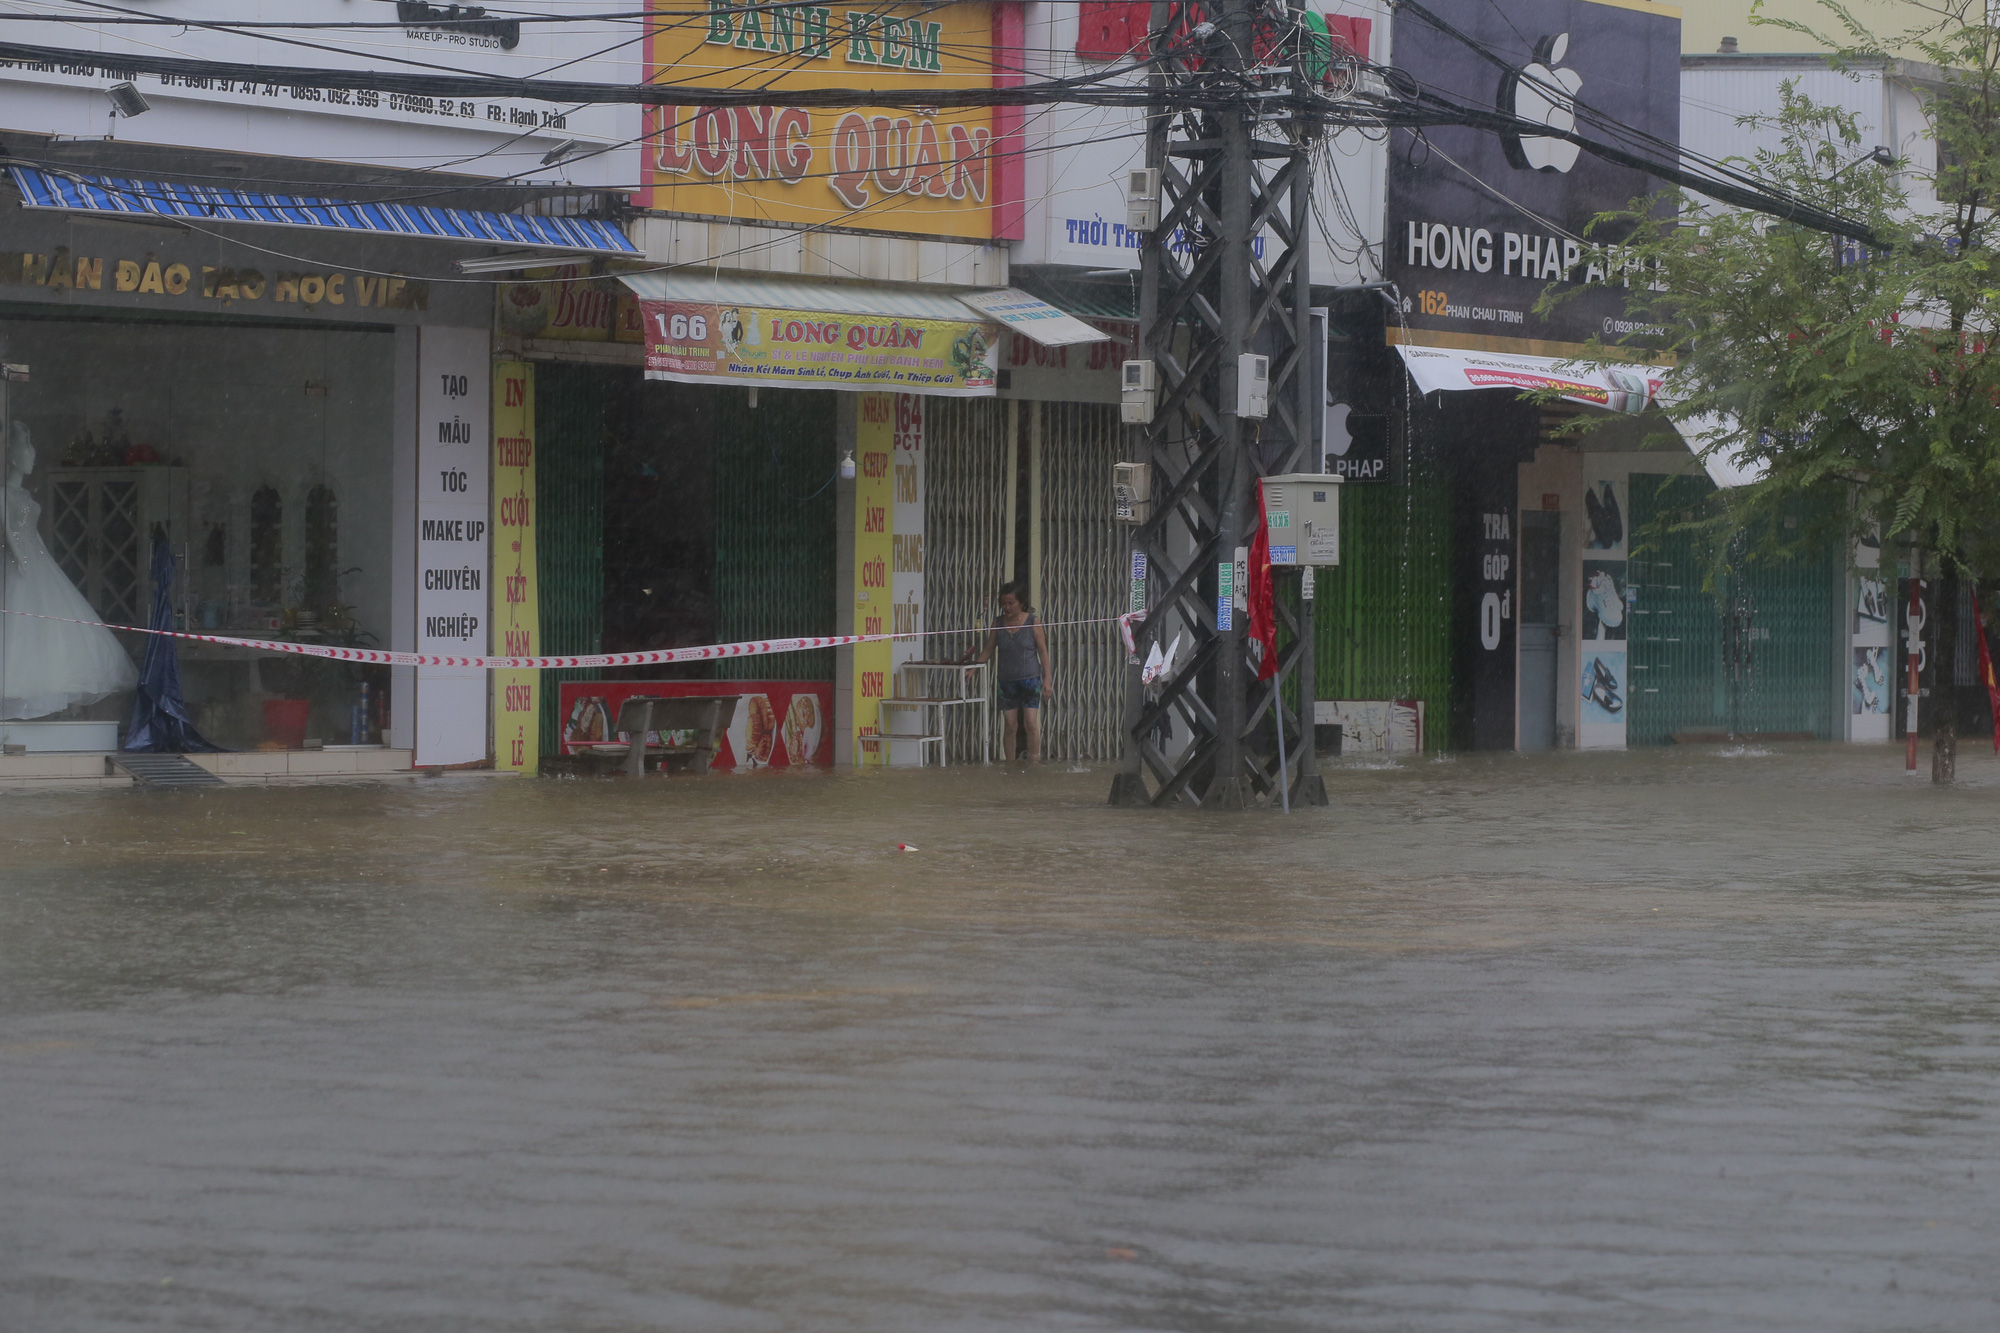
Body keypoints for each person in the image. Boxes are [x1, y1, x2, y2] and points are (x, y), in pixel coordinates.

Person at [2, 423, 138, 719]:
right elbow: (7, 530)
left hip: (36, 559)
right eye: (27, 454)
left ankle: (41, 702)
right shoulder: (5, 493)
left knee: (49, 627)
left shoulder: (24, 494)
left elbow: (30, 531)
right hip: (17, 562)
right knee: (18, 625)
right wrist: (18, 557)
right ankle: (16, 692)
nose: (33, 460)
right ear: (13, 459)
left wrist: (38, 556)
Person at [962, 581, 1051, 761]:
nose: (1007, 607)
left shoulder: (1033, 622)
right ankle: (1010, 764)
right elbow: (988, 648)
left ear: (1021, 603)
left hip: (1030, 679)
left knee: (1031, 724)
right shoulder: (998, 622)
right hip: (1006, 681)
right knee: (1010, 725)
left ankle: (1034, 762)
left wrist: (1047, 679)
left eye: (1011, 603)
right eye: (1004, 603)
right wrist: (973, 669)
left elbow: (1043, 651)